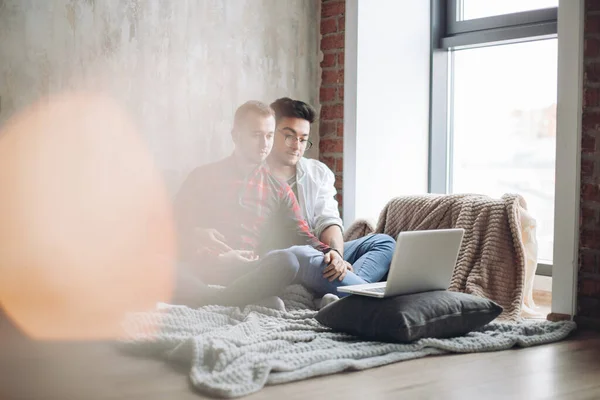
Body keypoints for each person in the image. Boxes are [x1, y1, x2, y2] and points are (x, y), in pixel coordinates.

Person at [172, 101, 367, 309]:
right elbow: (168, 228)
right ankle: (230, 298)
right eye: (256, 135)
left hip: (247, 271)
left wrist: (332, 252)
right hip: (203, 264)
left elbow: (301, 234)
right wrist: (198, 234)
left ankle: (218, 298)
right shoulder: (203, 176)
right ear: (236, 136)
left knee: (288, 261)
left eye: (269, 135)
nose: (264, 144)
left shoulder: (279, 189)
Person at [267, 97, 396, 295]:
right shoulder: (256, 176)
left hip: (320, 251)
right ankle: (353, 295)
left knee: (383, 242)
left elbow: (328, 221)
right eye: (289, 136)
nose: (296, 146)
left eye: (303, 139)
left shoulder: (317, 172)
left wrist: (337, 256)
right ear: (270, 132)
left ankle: (341, 295)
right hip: (289, 257)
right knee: (303, 254)